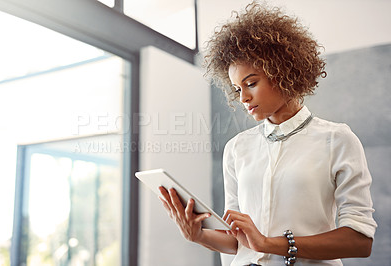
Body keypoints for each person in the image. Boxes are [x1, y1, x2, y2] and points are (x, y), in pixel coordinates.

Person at [158, 2, 377, 265]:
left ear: (283, 72)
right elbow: (239, 241)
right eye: (238, 89)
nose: (244, 97)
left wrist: (269, 243)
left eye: (251, 83)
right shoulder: (238, 148)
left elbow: (360, 240)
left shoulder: (337, 140)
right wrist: (198, 235)